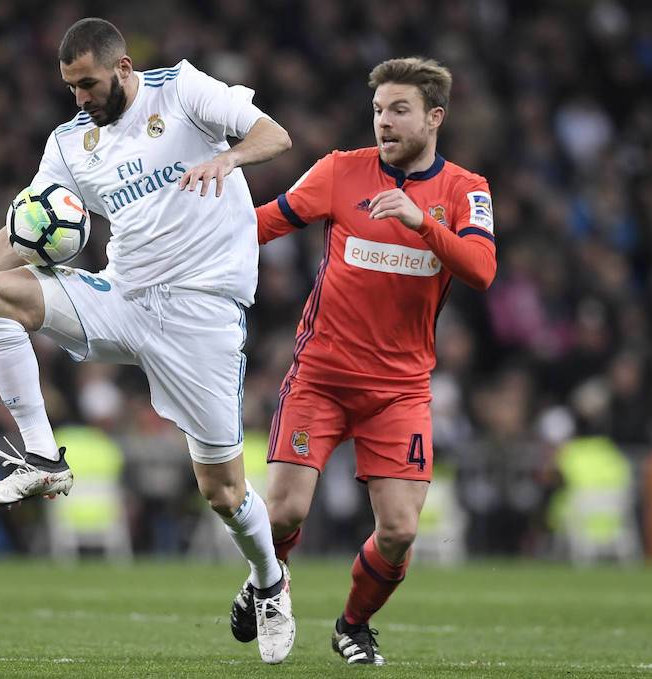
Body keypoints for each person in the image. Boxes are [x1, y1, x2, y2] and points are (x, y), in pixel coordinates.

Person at [0, 17, 295, 664]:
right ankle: (44, 457)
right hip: (125, 298)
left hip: (203, 315)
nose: (80, 98)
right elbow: (14, 233)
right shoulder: (71, 141)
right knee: (0, 294)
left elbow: (275, 134)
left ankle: (269, 579)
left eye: (88, 83)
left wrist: (229, 156)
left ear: (123, 67)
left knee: (220, 490)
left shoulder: (183, 90)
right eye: (71, 87)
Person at [229, 56, 497, 664]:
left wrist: (422, 224)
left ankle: (352, 625)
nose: (383, 121)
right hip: (320, 377)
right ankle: (266, 581)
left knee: (401, 530)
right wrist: (186, 229)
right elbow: (264, 224)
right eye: (378, 110)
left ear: (435, 117)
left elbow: (482, 271)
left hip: (399, 391)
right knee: (283, 513)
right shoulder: (339, 172)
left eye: (399, 110)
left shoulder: (465, 190)